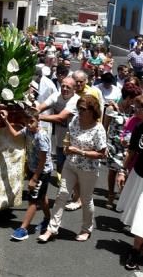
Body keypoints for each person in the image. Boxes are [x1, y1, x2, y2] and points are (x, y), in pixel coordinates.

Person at [38, 95, 107, 243]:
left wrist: (79, 151)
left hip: (88, 169)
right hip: (71, 164)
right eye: (78, 108)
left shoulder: (98, 129)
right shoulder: (75, 120)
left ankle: (86, 229)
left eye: (82, 109)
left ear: (92, 110)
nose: (79, 112)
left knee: (86, 199)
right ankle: (52, 228)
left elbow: (102, 154)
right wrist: (67, 146)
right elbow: (69, 136)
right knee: (61, 194)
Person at [1, 112, 53, 240]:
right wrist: (6, 120)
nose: (29, 125)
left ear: (38, 120)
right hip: (32, 169)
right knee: (41, 197)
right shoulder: (27, 130)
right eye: (27, 122)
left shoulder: (41, 136)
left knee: (33, 200)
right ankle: (48, 219)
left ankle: (23, 229)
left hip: (41, 172)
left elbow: (42, 160)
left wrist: (35, 178)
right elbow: (15, 135)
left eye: (32, 122)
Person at [116, 104, 143, 270]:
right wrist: (122, 171)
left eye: (140, 108)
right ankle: (135, 250)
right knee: (140, 215)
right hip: (140, 175)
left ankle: (136, 249)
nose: (137, 110)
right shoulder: (139, 127)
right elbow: (132, 151)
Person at [36, 77, 79, 178]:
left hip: (73, 140)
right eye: (63, 86)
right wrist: (33, 111)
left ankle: (69, 186)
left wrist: (37, 117)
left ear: (74, 89)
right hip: (60, 138)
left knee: (70, 167)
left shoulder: (75, 101)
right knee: (59, 164)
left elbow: (60, 118)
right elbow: (41, 107)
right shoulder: (56, 95)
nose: (64, 89)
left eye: (68, 87)